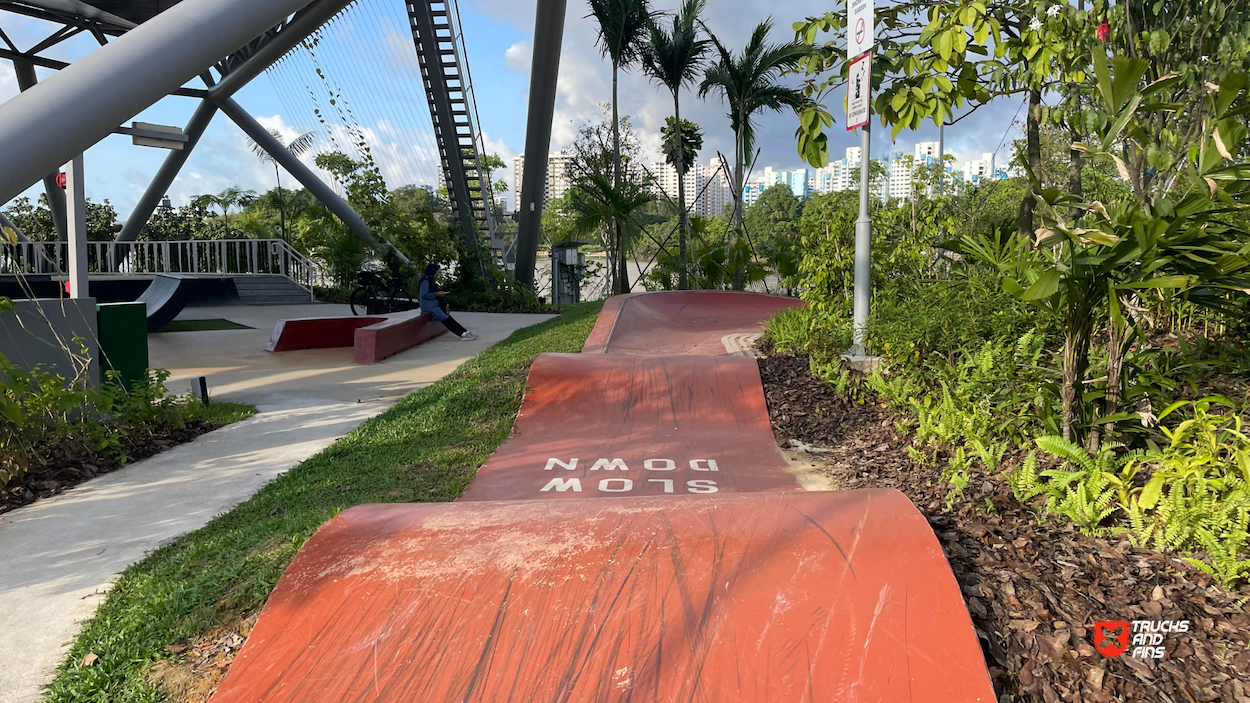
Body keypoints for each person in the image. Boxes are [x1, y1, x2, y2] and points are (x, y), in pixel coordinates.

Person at [419, 264, 477, 341]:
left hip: (434, 304)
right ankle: (462, 334)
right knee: (446, 319)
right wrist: (437, 294)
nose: (438, 275)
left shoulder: (430, 281)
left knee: (448, 317)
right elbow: (424, 295)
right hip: (429, 306)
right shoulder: (425, 281)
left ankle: (465, 332)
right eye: (437, 273)